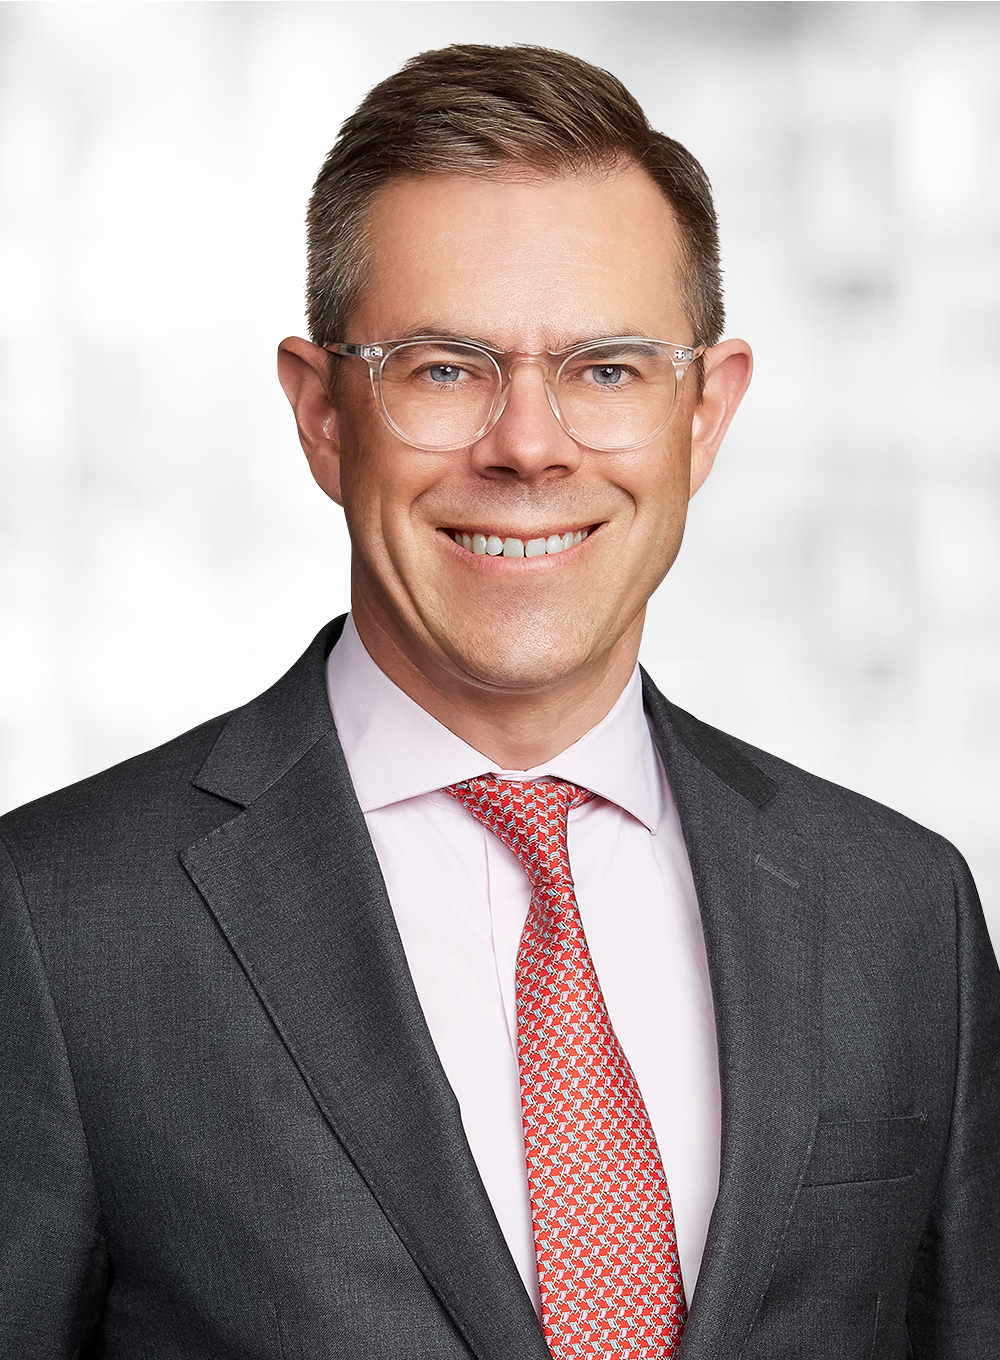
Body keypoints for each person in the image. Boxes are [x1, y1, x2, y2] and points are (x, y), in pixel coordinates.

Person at [1, 42, 997, 1360]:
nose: (528, 445)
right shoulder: (56, 925)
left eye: (607, 370)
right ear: (323, 414)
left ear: (705, 413)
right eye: (444, 368)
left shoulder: (902, 913)